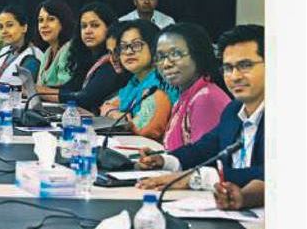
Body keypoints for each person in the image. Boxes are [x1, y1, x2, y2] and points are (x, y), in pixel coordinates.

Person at [137, 25, 265, 191]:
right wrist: (164, 160)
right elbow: (203, 150)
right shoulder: (234, 111)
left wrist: (198, 178)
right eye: (228, 68)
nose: (235, 76)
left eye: (246, 65)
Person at [156, 23, 231, 151]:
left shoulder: (205, 98)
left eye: (175, 54)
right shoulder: (187, 94)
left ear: (198, 55)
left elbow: (202, 158)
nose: (166, 64)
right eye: (161, 57)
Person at [100, 19, 176, 141]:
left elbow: (146, 128)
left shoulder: (161, 82)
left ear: (154, 47)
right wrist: (113, 113)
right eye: (123, 47)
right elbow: (106, 105)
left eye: (136, 45)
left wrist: (122, 120)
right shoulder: (134, 82)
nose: (128, 52)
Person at [48, 2, 130, 112]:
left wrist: (39, 92)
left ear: (110, 27)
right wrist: (37, 90)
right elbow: (71, 88)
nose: (88, 31)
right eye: (84, 26)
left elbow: (85, 98)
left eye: (95, 25)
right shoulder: (87, 58)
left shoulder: (113, 62)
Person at [0, 5, 43, 81]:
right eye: (0, 27)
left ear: (24, 28)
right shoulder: (4, 50)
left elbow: (26, 87)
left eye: (9, 25)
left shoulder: (32, 57)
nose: (4, 31)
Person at [35, 0, 75, 88]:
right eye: (41, 20)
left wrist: (38, 90)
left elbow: (66, 89)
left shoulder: (69, 49)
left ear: (63, 22)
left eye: (51, 19)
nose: (44, 25)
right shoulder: (48, 52)